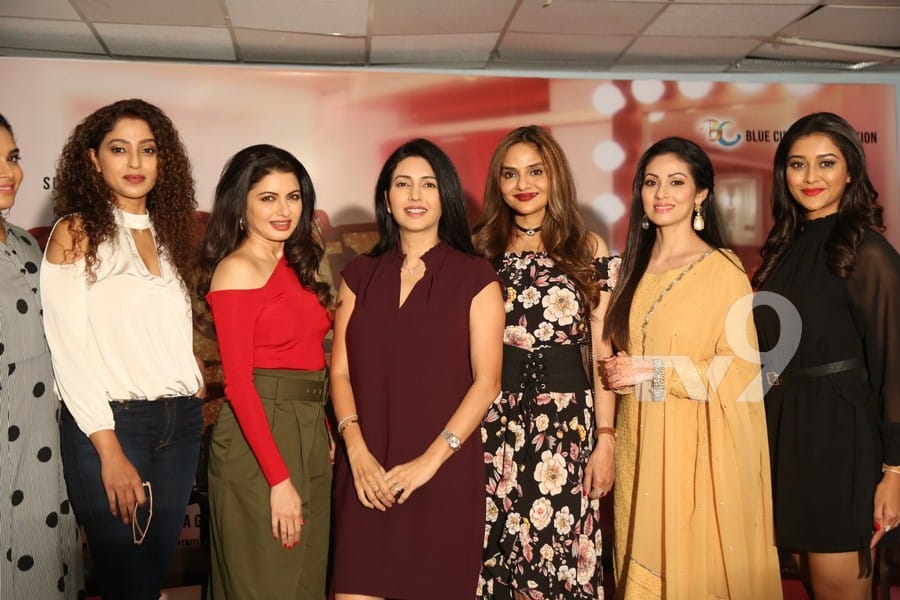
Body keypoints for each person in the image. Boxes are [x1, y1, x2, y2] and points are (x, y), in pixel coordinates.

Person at [601, 136, 782, 599]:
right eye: (651, 182)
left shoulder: (722, 270)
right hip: (638, 444)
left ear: (701, 194)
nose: (662, 193)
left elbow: (740, 371)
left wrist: (654, 371)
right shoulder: (629, 269)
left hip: (693, 453)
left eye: (676, 182)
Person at [40, 99, 204, 599]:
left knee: (149, 582)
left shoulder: (168, 233)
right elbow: (68, 350)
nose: (135, 162)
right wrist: (108, 449)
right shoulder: (76, 231)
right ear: (93, 159)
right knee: (127, 584)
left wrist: (191, 378)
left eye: (147, 150)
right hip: (112, 427)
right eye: (119, 149)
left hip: (179, 426)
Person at [330, 138, 504, 600]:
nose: (415, 195)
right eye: (403, 184)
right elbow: (339, 373)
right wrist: (356, 452)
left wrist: (428, 463)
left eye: (428, 184)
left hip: (442, 474)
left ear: (445, 197)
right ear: (386, 198)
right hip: (366, 476)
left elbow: (487, 383)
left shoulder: (477, 277)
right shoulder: (358, 275)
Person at [753, 112, 900, 600]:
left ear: (851, 172)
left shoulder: (868, 251)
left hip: (842, 441)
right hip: (786, 436)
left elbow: (895, 366)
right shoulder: (783, 251)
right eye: (798, 164)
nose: (810, 177)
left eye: (826, 163)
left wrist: (895, 473)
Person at [472, 125, 617, 599]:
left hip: (566, 428)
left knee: (556, 563)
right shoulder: (479, 251)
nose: (523, 184)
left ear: (555, 176)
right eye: (510, 174)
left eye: (535, 171)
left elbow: (602, 349)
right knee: (490, 561)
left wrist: (606, 438)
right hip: (491, 423)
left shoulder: (587, 248)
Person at [195, 144, 333, 598]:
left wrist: (321, 426)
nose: (284, 210)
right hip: (260, 435)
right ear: (241, 204)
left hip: (308, 428)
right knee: (265, 580)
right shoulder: (236, 270)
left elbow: (310, 354)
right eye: (268, 198)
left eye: (293, 197)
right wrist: (278, 479)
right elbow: (239, 385)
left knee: (306, 578)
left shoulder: (297, 263)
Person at [0, 114, 84, 598]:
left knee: (48, 567)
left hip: (45, 443)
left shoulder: (26, 244)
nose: (8, 171)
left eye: (12, 157)